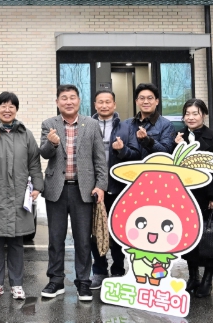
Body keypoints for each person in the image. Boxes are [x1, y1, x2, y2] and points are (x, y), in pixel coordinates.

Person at [39, 85, 107, 301]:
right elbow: (44, 153)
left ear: (79, 100)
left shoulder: (91, 124)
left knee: (83, 239)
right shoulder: (49, 124)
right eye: (64, 98)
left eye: (72, 98)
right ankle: (56, 280)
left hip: (83, 189)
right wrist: (52, 144)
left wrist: (101, 185)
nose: (68, 102)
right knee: (55, 238)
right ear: (57, 102)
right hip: (56, 189)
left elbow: (99, 158)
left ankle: (83, 282)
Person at [0, 92, 43, 300]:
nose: (7, 110)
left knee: (16, 243)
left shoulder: (25, 134)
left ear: (16, 110)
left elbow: (34, 162)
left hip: (19, 195)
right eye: (3, 106)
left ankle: (17, 284)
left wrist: (37, 186)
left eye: (11, 106)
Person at [174, 98, 213, 298]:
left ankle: (207, 280)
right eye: (187, 114)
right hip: (187, 196)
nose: (191, 117)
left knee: (210, 239)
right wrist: (177, 147)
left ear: (203, 115)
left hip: (208, 196)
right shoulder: (180, 136)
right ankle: (193, 276)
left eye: (195, 113)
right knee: (189, 238)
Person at [89, 90, 140, 290]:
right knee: (95, 231)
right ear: (95, 105)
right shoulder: (88, 125)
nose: (104, 105)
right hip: (93, 188)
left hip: (118, 189)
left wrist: (122, 150)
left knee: (118, 231)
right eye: (100, 102)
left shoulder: (127, 127)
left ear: (114, 104)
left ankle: (118, 269)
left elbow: (136, 155)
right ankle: (99, 271)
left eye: (108, 102)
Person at [127, 83, 174, 157]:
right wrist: (121, 150)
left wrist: (147, 140)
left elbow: (166, 153)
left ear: (157, 101)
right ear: (136, 102)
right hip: (132, 165)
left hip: (153, 165)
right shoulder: (128, 123)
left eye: (150, 98)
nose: (146, 102)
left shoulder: (166, 125)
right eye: (142, 98)